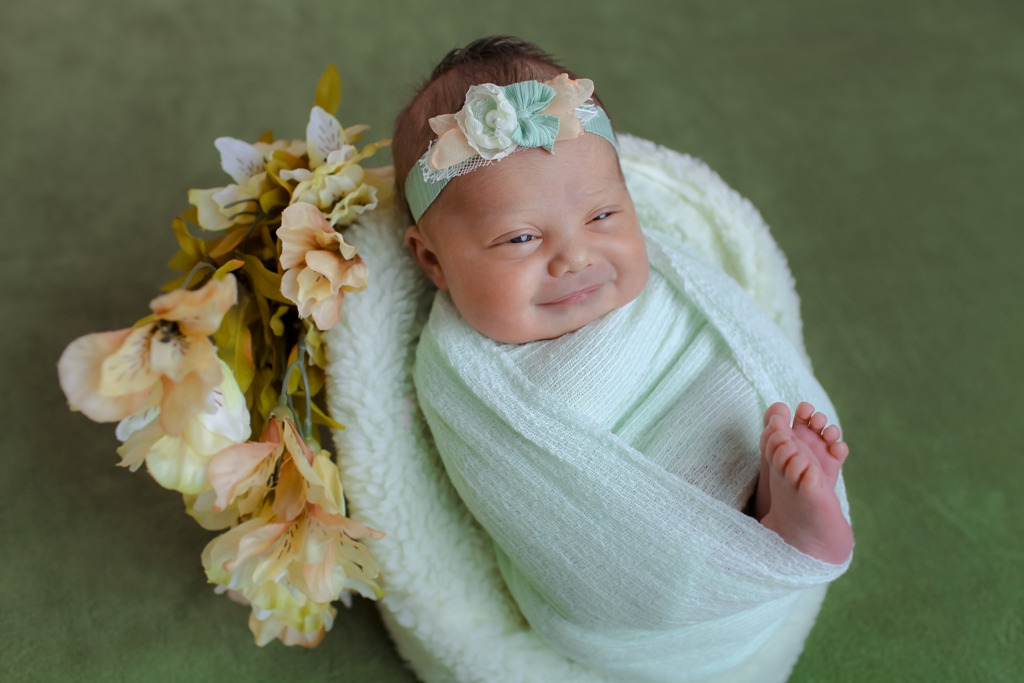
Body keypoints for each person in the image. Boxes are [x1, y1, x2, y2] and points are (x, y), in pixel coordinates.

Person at [392, 36, 853, 681]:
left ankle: (773, 505)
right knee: (641, 546)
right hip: (636, 575)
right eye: (522, 237)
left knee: (748, 411)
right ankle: (760, 540)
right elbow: (521, 496)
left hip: (709, 420)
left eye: (604, 214)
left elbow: (731, 333)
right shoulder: (459, 374)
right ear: (433, 260)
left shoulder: (664, 278)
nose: (576, 257)